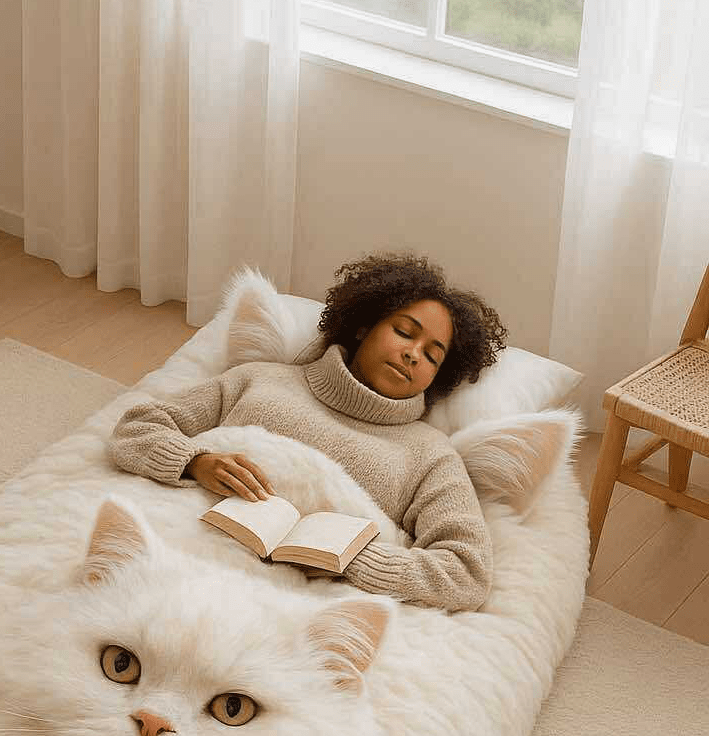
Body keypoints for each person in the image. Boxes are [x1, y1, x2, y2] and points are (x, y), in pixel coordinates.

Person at [107, 252, 508, 612]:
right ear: (362, 327)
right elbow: (136, 428)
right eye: (404, 332)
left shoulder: (430, 456)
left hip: (289, 610)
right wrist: (195, 462)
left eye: (432, 355)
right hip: (180, 556)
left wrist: (349, 557)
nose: (413, 354)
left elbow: (465, 573)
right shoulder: (259, 380)